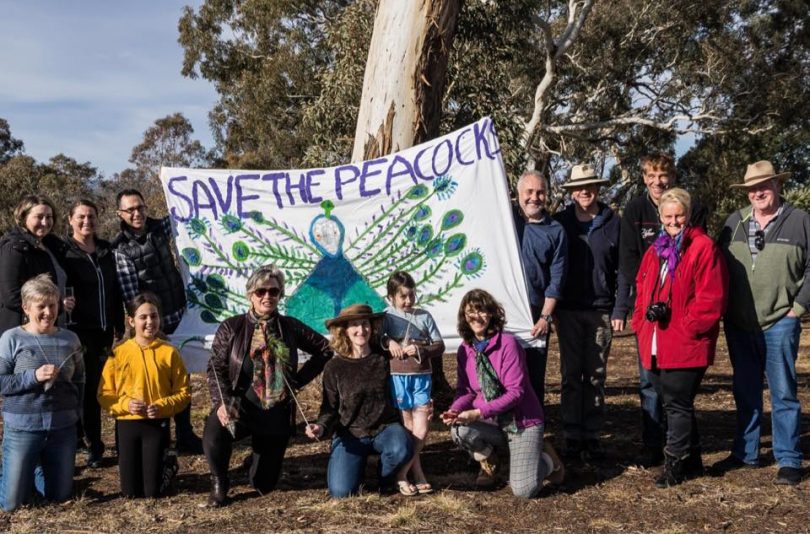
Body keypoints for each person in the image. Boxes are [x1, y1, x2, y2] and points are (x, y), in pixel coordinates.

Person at [203, 264, 333, 507]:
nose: (267, 297)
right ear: (250, 294)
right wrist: (221, 402)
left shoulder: (290, 326)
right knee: (214, 430)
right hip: (239, 405)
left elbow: (324, 350)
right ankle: (219, 481)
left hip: (275, 409)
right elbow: (216, 367)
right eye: (261, 291)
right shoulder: (232, 327)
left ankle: (257, 459)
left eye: (274, 292)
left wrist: (296, 382)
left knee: (263, 486)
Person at [713, 160, 809, 486]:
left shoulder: (800, 221)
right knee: (745, 390)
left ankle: (789, 459)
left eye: (764, 186)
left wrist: (798, 307)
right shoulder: (734, 222)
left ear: (777, 186)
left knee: (783, 392)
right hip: (739, 323)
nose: (758, 193)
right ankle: (746, 453)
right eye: (752, 188)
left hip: (780, 321)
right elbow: (715, 266)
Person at [631, 188, 728, 488]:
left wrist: (687, 325)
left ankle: (674, 463)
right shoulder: (656, 250)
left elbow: (711, 297)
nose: (673, 221)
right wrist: (640, 321)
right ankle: (693, 460)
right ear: (659, 217)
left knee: (676, 403)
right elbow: (641, 287)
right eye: (668, 216)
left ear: (688, 215)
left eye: (679, 215)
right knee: (674, 401)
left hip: (685, 342)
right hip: (657, 340)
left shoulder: (702, 247)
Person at [617, 154, 707, 467]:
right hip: (650, 317)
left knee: (678, 394)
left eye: (664, 175)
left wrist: (690, 322)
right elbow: (628, 260)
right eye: (652, 176)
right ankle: (653, 444)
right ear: (644, 178)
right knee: (651, 385)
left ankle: (678, 452)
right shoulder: (636, 211)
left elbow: (701, 271)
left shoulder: (693, 217)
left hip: (680, 322)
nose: (658, 181)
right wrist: (638, 313)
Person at [441, 289, 563, 498]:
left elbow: (516, 392)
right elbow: (466, 390)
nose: (477, 317)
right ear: (464, 316)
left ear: (491, 314)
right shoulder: (465, 349)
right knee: (459, 431)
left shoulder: (508, 344)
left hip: (522, 421)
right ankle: (490, 459)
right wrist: (455, 409)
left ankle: (548, 461)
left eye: (482, 311)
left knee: (524, 490)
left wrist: (478, 413)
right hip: (493, 421)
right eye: (471, 312)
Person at [112, 189, 201, 453]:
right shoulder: (121, 249)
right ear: (120, 214)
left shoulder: (159, 227)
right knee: (156, 378)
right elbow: (132, 296)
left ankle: (185, 433)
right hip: (154, 324)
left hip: (179, 314)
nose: (136, 213)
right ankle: (156, 436)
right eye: (130, 210)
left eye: (140, 207)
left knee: (180, 376)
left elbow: (186, 215)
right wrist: (148, 326)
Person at [553, 164, 628, 461]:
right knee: (571, 374)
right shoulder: (561, 223)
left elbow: (623, 270)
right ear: (571, 191)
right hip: (568, 310)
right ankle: (572, 433)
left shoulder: (614, 223)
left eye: (591, 185)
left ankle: (592, 433)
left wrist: (620, 306)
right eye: (579, 187)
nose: (585, 191)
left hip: (600, 310)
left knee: (596, 374)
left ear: (598, 188)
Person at [306, 304, 413, 497]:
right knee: (341, 492)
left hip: (385, 428)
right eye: (354, 325)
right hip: (350, 434)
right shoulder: (334, 367)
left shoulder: (384, 358)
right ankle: (357, 467)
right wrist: (320, 427)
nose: (361, 330)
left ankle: (383, 477)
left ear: (372, 328)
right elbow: (329, 407)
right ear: (345, 331)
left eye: (365, 324)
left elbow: (408, 381)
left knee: (401, 448)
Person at [0, 275, 84, 511]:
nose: (48, 312)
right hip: (23, 427)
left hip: (62, 428)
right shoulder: (11, 338)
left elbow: (80, 379)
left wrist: (77, 413)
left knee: (59, 497)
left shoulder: (70, 339)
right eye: (41, 306)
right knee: (12, 504)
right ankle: (20, 469)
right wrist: (33, 377)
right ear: (26, 308)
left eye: (53, 305)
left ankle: (34, 468)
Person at [98, 292, 190, 498]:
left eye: (154, 316)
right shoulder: (119, 353)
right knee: (130, 493)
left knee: (152, 492)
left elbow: (183, 393)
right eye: (143, 317)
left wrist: (163, 406)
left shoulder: (169, 352)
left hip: (157, 423)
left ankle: (168, 465)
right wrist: (125, 404)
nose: (150, 322)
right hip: (127, 424)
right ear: (131, 321)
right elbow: (104, 394)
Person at [58, 199, 124, 468]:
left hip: (105, 330)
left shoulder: (107, 250)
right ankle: (89, 445)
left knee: (99, 386)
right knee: (83, 388)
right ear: (70, 220)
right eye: (81, 217)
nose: (87, 222)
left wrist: (119, 323)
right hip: (77, 331)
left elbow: (116, 289)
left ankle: (93, 440)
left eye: (92, 217)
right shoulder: (64, 251)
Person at [381, 271, 445, 495]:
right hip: (398, 377)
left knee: (422, 427)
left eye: (412, 295)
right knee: (408, 427)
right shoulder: (386, 318)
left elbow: (439, 346)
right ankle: (416, 473)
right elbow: (376, 339)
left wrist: (421, 350)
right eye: (403, 297)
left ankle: (401, 473)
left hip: (421, 376)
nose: (409, 301)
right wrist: (388, 341)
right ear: (391, 297)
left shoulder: (424, 316)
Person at [513, 170, 567, 409]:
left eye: (540, 192)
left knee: (534, 375)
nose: (535, 197)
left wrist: (545, 317)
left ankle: (533, 430)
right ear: (518, 194)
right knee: (503, 373)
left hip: (535, 312)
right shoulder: (504, 220)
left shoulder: (555, 230)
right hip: (501, 309)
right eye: (529, 192)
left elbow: (556, 278)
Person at [0, 195, 74, 334]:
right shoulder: (14, 248)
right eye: (39, 217)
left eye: (49, 217)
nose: (45, 222)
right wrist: (54, 307)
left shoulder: (53, 246)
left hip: (51, 328)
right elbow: (11, 296)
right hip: (22, 333)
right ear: (23, 218)